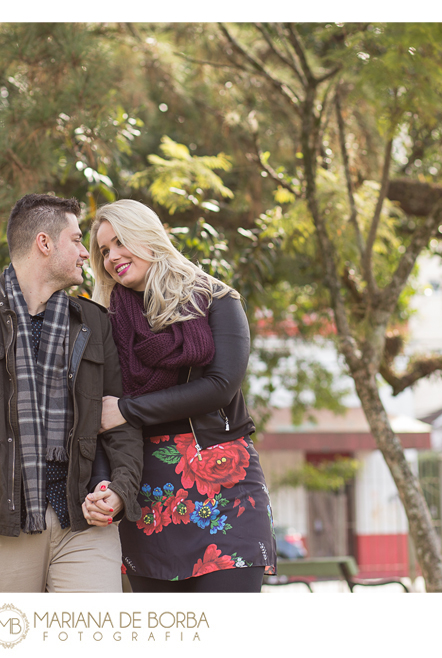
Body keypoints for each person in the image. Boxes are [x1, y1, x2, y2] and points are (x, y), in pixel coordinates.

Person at [0, 193, 143, 592]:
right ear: (44, 243)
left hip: (84, 524)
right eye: (75, 241)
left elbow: (117, 419)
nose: (84, 254)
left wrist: (121, 491)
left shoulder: (94, 323)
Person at [83, 199, 276, 593]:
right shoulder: (107, 322)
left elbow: (220, 387)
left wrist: (128, 410)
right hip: (145, 494)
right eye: (104, 250)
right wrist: (108, 487)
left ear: (147, 236)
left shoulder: (218, 299)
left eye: (121, 241)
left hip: (223, 487)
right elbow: (100, 418)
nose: (112, 257)